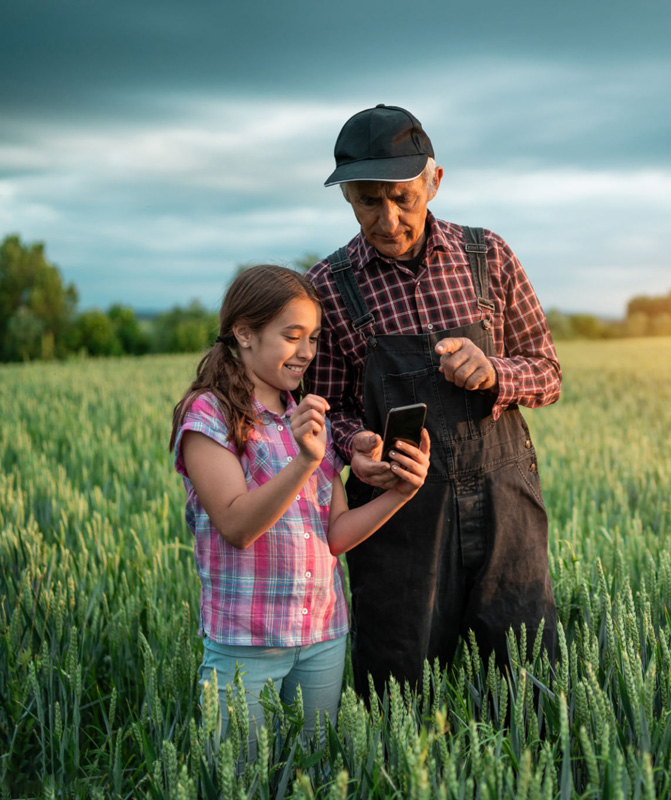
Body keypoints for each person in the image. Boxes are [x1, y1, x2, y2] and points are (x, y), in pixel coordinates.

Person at [304, 104, 561, 695]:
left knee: (526, 685)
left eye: (403, 197)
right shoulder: (328, 287)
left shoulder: (488, 256)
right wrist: (355, 445)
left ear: (434, 181)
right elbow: (325, 409)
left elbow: (548, 373)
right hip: (396, 514)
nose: (388, 219)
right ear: (346, 197)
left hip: (504, 506)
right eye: (368, 201)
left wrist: (494, 372)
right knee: (397, 690)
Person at [169, 264, 431, 742]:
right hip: (246, 642)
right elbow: (236, 525)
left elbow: (336, 536)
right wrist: (305, 461)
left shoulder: (310, 418)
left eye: (313, 338)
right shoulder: (209, 414)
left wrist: (401, 493)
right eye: (292, 336)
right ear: (244, 333)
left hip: (322, 636)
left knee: (315, 771)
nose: (307, 352)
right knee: (240, 775)